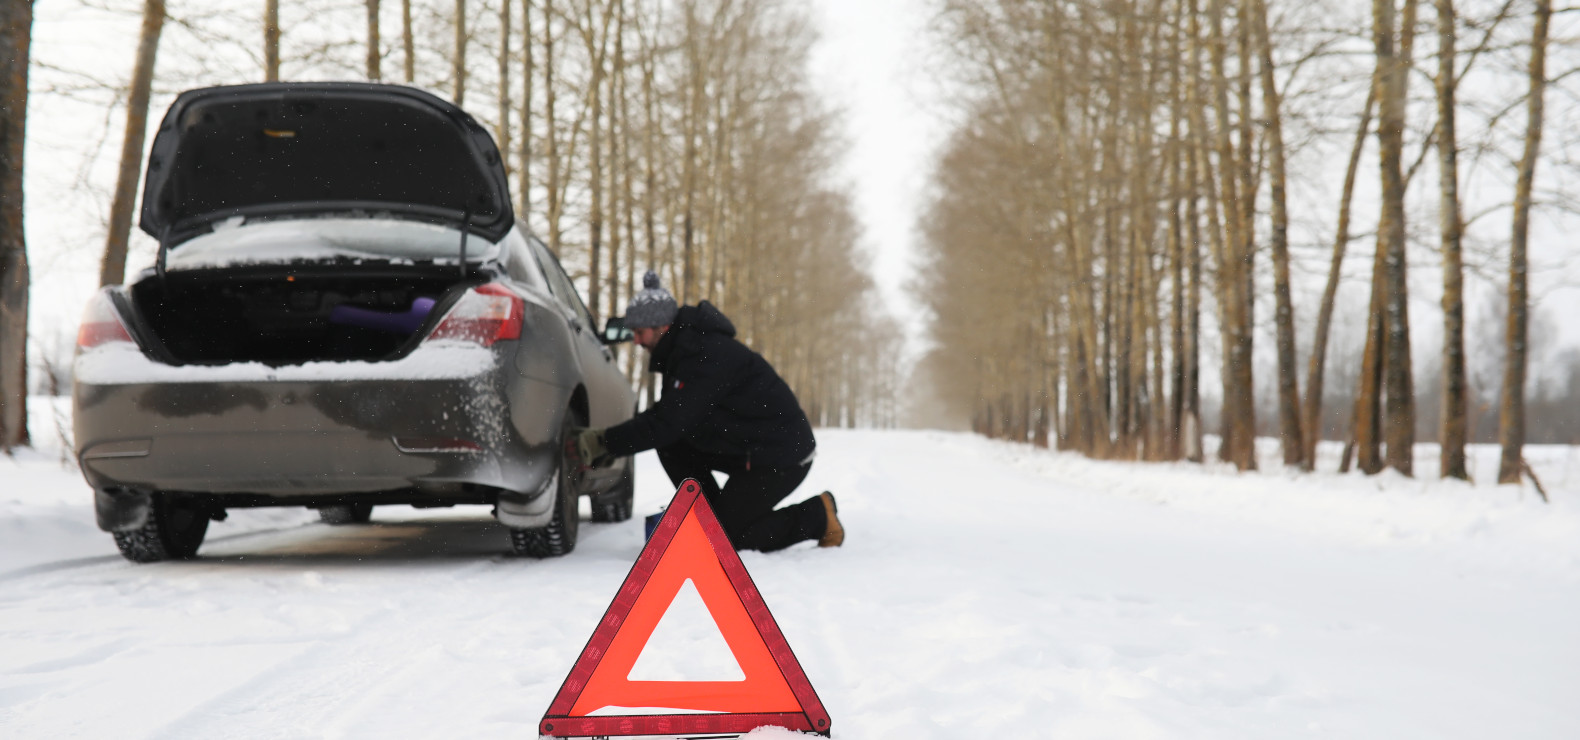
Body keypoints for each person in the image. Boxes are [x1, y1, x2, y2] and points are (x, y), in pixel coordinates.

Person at [575, 271, 843, 552]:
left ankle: (818, 516)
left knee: (725, 540)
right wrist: (608, 444)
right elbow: (667, 419)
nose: (637, 341)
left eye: (640, 333)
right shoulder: (683, 352)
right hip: (748, 447)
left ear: (662, 326)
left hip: (781, 455)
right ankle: (710, 517)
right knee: (671, 445)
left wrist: (602, 442)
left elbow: (667, 422)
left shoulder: (705, 355)